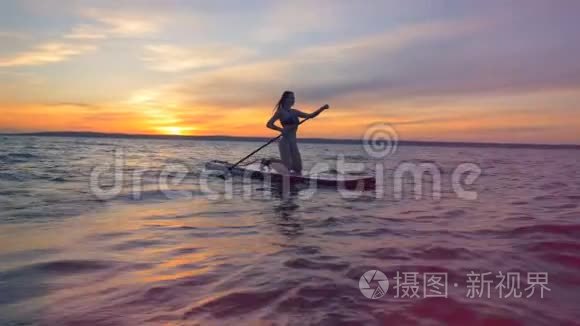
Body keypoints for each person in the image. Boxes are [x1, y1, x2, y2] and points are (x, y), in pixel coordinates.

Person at [266, 91, 329, 175]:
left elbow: (311, 116)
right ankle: (269, 161)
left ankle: (277, 162)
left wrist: (322, 108)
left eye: (294, 98)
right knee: (287, 167)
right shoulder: (280, 112)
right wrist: (280, 130)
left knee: (298, 168)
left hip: (293, 142)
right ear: (285, 99)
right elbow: (269, 124)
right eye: (291, 98)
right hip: (285, 142)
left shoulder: (295, 112)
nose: (293, 100)